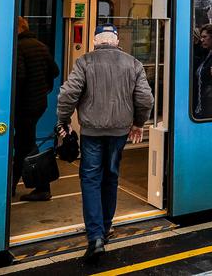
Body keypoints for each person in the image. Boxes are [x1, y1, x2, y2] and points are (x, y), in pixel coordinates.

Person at [56, 24, 154, 260]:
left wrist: (64, 120)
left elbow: (68, 94)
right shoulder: (133, 63)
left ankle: (95, 237)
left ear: (95, 42)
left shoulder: (84, 62)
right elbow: (145, 98)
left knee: (91, 179)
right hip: (119, 132)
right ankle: (106, 227)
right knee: (111, 177)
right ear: (117, 42)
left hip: (92, 132)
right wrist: (139, 123)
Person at [13, 16, 60, 201]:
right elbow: (54, 71)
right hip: (39, 103)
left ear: (17, 28)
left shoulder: (18, 47)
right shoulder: (40, 45)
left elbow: (19, 77)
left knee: (26, 145)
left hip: (24, 105)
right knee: (22, 143)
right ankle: (11, 184)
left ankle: (43, 187)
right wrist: (43, 88)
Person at [192, 24, 212, 119]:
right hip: (201, 100)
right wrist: (195, 43)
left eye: (205, 37)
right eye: (201, 37)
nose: (202, 40)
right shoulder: (206, 53)